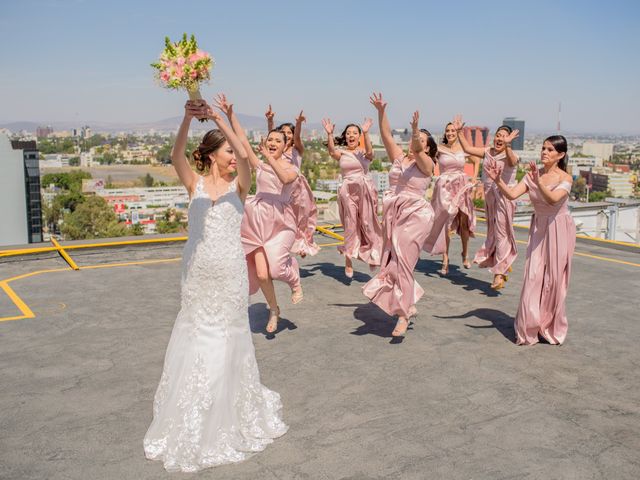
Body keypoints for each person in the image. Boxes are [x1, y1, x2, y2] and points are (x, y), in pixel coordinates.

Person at [143, 100, 287, 472]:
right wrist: (187, 119)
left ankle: (226, 413)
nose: (230, 156)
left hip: (228, 274)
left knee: (226, 338)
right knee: (195, 335)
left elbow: (244, 152)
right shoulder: (193, 182)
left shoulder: (241, 183)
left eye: (229, 151)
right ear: (208, 156)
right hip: (196, 275)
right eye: (222, 151)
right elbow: (176, 154)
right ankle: (192, 408)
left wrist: (219, 118)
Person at [216, 95, 303, 334]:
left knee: (276, 270)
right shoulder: (262, 165)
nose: (273, 142)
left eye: (278, 140)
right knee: (263, 274)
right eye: (270, 139)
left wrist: (269, 158)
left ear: (286, 146)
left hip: (280, 223)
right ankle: (273, 309)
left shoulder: (291, 167)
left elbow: (285, 179)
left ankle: (294, 277)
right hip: (256, 221)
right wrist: (229, 114)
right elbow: (242, 141)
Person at [486, 135, 575, 345]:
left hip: (559, 228)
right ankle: (529, 327)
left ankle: (549, 326)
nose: (545, 152)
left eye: (550, 150)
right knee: (533, 276)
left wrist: (537, 182)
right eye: (544, 148)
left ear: (560, 155)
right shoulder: (532, 175)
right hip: (539, 228)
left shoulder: (565, 178)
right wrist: (498, 180)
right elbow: (511, 195)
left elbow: (553, 199)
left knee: (553, 280)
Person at [363, 100, 437, 337]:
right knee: (392, 264)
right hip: (395, 214)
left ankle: (403, 315)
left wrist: (416, 131)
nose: (415, 143)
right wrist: (381, 112)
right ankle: (409, 301)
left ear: (427, 148)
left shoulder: (427, 163)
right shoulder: (398, 158)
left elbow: (416, 149)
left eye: (421, 141)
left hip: (416, 215)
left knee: (403, 262)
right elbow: (385, 135)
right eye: (416, 138)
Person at [452, 116, 520, 289]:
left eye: (504, 136)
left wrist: (509, 145)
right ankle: (502, 261)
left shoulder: (510, 155)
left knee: (501, 233)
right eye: (498, 135)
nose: (500, 139)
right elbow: (467, 148)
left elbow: (512, 162)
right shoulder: (487, 151)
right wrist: (459, 132)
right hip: (490, 197)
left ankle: (499, 274)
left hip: (504, 197)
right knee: (493, 233)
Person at [322, 116, 383, 278]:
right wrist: (329, 134)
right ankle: (348, 259)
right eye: (348, 133)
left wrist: (366, 132)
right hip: (347, 189)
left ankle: (372, 254)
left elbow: (370, 152)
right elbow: (331, 151)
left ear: (358, 137)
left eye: (354, 133)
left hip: (364, 189)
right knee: (350, 224)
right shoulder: (341, 153)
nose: (350, 135)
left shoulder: (364, 152)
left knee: (368, 223)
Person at [423, 122, 479, 274]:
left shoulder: (464, 148)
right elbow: (426, 159)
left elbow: (476, 160)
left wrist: (474, 177)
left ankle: (465, 253)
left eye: (452, 130)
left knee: (464, 220)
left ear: (457, 132)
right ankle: (445, 258)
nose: (450, 133)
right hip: (445, 187)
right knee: (446, 224)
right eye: (447, 130)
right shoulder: (440, 149)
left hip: (461, 185)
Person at [265, 105, 319, 257]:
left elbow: (297, 138)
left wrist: (299, 123)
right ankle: (283, 244)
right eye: (284, 133)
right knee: (283, 218)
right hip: (280, 187)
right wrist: (270, 120)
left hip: (297, 189)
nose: (287, 135)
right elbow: (271, 137)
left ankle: (303, 242)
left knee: (301, 218)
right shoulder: (277, 150)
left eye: (290, 133)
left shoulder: (297, 150)